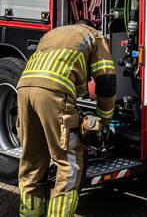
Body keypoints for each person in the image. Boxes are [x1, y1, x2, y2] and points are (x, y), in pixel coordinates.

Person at [16, 21, 116, 217]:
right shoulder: (94, 36)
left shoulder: (53, 34)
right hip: (54, 93)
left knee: (32, 161)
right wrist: (104, 121)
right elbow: (106, 82)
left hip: (24, 90)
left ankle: (30, 214)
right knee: (68, 165)